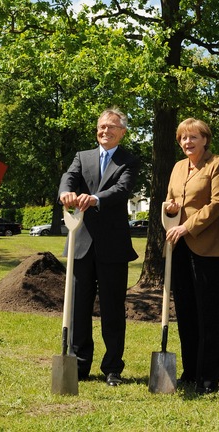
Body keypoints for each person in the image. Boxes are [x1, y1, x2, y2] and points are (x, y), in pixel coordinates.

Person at [58, 107, 140, 386]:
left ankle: (113, 368)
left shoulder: (128, 160)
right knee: (78, 307)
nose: (104, 131)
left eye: (111, 127)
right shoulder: (83, 157)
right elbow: (68, 179)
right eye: (101, 127)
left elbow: (121, 191)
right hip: (80, 242)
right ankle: (80, 364)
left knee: (112, 309)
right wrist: (65, 193)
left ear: (122, 132)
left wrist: (94, 199)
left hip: (113, 247)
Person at [164, 117, 219, 394]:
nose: (187, 142)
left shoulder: (217, 163)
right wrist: (171, 210)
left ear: (205, 139)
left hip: (209, 249)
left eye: (193, 137)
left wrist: (186, 226)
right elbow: (171, 201)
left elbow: (218, 203)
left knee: (207, 314)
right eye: (183, 138)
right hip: (179, 248)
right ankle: (190, 372)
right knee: (185, 313)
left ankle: (207, 379)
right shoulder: (178, 167)